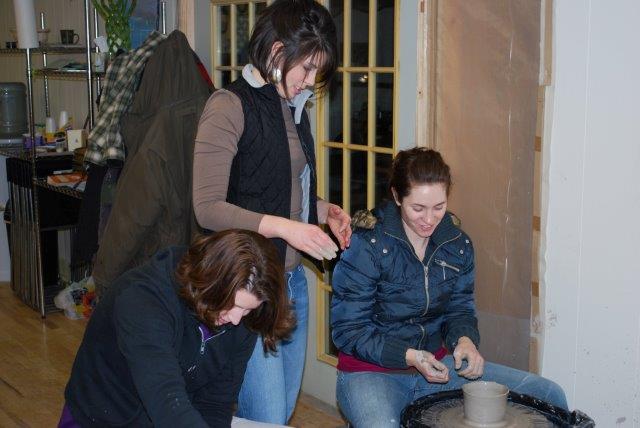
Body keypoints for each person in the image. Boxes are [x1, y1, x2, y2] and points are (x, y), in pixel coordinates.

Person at [193, 0, 351, 424]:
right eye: (306, 69)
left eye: (318, 71)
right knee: (263, 417)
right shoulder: (228, 105)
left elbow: (280, 190)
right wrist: (286, 228)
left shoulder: (294, 107)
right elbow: (207, 208)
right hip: (249, 290)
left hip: (293, 282)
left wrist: (323, 211)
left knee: (278, 415)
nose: (310, 81)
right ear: (277, 51)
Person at [330, 148, 568, 428]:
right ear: (396, 196)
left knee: (550, 395)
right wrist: (410, 356)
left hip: (437, 366)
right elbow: (348, 331)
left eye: (438, 207)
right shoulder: (367, 244)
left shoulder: (457, 245)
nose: (429, 219)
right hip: (370, 372)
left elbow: (459, 311)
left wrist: (464, 340)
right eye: (417, 208)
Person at [59, 230, 294, 428]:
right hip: (101, 416)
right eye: (234, 305)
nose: (236, 319)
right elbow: (165, 398)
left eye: (247, 310)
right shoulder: (142, 299)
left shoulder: (245, 317)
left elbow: (216, 403)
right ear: (212, 283)